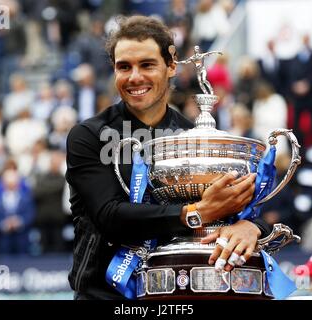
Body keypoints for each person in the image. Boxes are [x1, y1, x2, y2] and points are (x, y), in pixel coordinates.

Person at [66, 15, 271, 300]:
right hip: (105, 297)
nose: (134, 77)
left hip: (179, 294)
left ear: (171, 66)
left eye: (147, 65)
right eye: (124, 67)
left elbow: (243, 205)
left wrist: (252, 228)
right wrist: (198, 212)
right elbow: (110, 216)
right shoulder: (89, 135)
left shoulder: (194, 138)